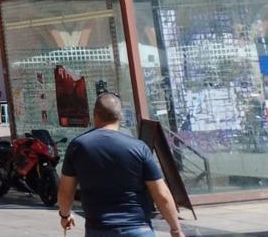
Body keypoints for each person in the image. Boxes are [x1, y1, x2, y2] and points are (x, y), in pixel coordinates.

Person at [57, 93, 184, 237]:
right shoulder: (138, 147)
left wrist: (65, 215)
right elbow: (161, 195)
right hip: (138, 229)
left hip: (99, 230)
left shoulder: (78, 146)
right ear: (120, 117)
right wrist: (175, 229)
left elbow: (65, 191)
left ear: (95, 115)